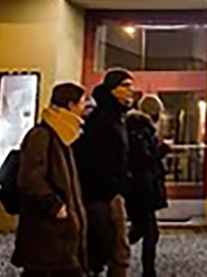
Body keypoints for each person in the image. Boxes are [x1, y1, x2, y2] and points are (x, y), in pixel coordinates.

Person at [12, 82, 91, 277]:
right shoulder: (42, 136)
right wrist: (55, 206)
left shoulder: (65, 135)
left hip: (61, 234)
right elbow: (31, 179)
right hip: (48, 232)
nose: (85, 107)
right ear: (71, 105)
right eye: (82, 102)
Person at [73, 70, 135, 277]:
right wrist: (112, 188)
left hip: (111, 191)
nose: (130, 91)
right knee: (110, 250)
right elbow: (96, 158)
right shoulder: (103, 119)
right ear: (113, 89)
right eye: (125, 86)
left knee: (117, 249)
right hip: (103, 194)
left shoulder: (117, 117)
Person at [126, 94, 170, 277]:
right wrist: (162, 150)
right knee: (147, 231)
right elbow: (142, 159)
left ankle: (148, 270)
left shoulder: (137, 128)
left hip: (142, 187)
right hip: (142, 188)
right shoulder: (140, 130)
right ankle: (105, 253)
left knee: (145, 229)